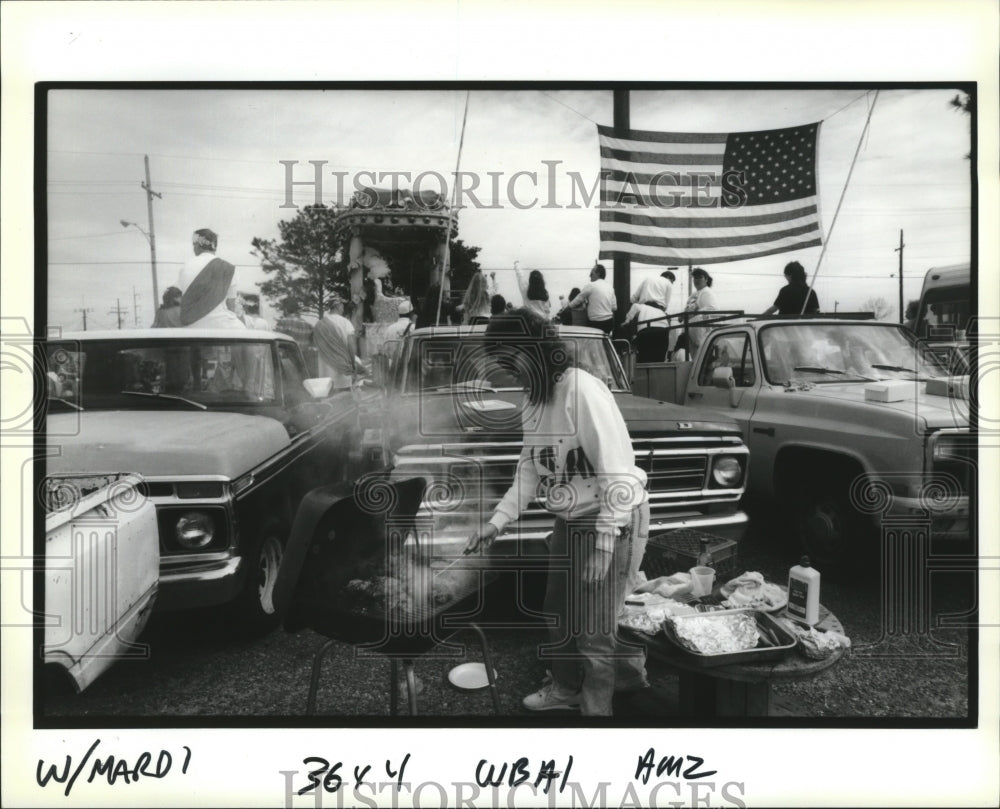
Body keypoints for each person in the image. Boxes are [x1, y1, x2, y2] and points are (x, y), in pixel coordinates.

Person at [465, 309, 649, 716]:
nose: (507, 373)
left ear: (533, 352)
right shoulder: (535, 397)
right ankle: (569, 686)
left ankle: (597, 713)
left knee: (593, 629)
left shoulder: (581, 390)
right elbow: (530, 468)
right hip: (570, 518)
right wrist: (496, 522)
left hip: (611, 516)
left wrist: (604, 545)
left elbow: (617, 473)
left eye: (509, 361)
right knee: (559, 610)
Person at [175, 228, 246, 329]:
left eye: (194, 245)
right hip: (221, 324)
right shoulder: (228, 268)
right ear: (214, 247)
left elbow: (181, 300)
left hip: (191, 325)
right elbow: (231, 306)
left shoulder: (184, 268)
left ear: (197, 245)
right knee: (244, 330)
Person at [313, 295, 364, 390]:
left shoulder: (319, 324)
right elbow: (351, 344)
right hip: (343, 372)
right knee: (344, 398)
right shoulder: (345, 322)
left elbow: (317, 347)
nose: (343, 308)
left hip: (325, 374)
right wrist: (353, 365)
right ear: (338, 306)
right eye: (342, 306)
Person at [678, 267, 718, 358]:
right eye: (695, 278)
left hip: (701, 333)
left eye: (699, 277)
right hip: (690, 331)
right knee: (693, 358)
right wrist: (682, 316)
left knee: (702, 357)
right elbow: (688, 309)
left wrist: (694, 312)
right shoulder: (693, 295)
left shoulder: (707, 292)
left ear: (706, 279)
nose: (696, 280)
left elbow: (712, 308)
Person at [569, 264, 617, 333]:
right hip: (609, 323)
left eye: (591, 273)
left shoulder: (590, 286)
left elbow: (578, 299)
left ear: (598, 274)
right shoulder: (610, 287)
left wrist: (568, 308)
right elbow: (614, 307)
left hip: (595, 323)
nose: (589, 276)